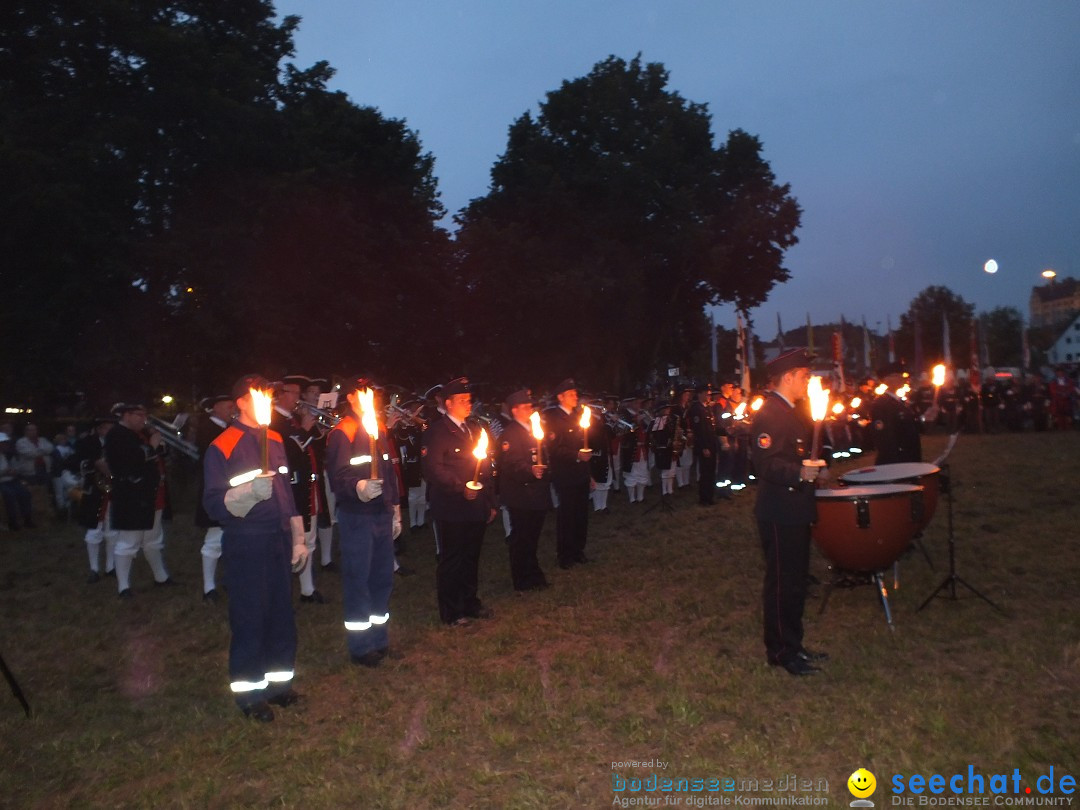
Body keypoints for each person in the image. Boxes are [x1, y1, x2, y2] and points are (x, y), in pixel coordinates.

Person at [202, 375, 307, 722]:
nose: (267, 399)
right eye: (258, 394)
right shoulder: (224, 445)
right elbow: (213, 504)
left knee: (280, 613)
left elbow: (286, 493)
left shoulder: (274, 438)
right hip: (247, 540)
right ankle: (249, 694)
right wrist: (246, 494)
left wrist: (298, 536)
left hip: (276, 536)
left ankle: (279, 686)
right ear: (242, 403)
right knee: (250, 615)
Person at [750, 349, 827, 677]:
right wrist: (799, 473)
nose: (808, 381)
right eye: (805, 376)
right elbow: (766, 464)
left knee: (796, 583)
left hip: (795, 509)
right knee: (782, 583)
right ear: (789, 377)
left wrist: (813, 468)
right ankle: (781, 651)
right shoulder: (770, 413)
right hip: (780, 510)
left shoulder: (791, 411)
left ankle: (794, 644)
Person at [325, 377, 402, 666]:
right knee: (359, 580)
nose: (373, 397)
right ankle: (360, 647)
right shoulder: (342, 432)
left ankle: (379, 640)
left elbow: (389, 472)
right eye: (366, 393)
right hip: (357, 516)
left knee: (382, 578)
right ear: (353, 398)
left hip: (381, 513)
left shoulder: (378, 428)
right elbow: (339, 477)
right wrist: (358, 487)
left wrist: (395, 509)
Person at [422, 377, 498, 626]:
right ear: (448, 403)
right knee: (452, 559)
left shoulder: (474, 429)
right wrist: (460, 487)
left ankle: (469, 601)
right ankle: (452, 611)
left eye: (469, 400)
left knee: (471, 557)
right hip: (451, 506)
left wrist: (489, 501)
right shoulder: (438, 431)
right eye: (463, 400)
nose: (468, 404)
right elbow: (433, 469)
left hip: (475, 505)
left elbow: (484, 468)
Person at [105, 403, 174, 597]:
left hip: (151, 494)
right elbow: (131, 461)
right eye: (138, 415)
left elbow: (158, 456)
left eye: (144, 414)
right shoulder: (117, 435)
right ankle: (123, 587)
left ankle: (161, 577)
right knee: (129, 542)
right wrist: (152, 444)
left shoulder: (139, 433)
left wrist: (159, 444)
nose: (143, 419)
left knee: (153, 539)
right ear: (126, 415)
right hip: (132, 496)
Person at [271, 376, 324, 604]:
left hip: (305, 485)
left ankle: (307, 589)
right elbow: (286, 453)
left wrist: (315, 430)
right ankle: (286, 592)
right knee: (292, 540)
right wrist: (304, 429)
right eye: (293, 393)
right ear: (281, 394)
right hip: (289, 488)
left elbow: (312, 448)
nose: (298, 398)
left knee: (308, 538)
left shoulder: (292, 420)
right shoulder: (272, 422)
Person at [498, 389, 552, 591]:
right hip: (521, 495)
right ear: (515, 410)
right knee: (522, 537)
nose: (531, 409)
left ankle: (534, 573)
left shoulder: (532, 429)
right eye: (526, 406)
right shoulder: (510, 433)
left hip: (537, 493)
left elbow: (542, 455)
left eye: (531, 405)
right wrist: (530, 470)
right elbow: (511, 463)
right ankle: (522, 578)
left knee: (533, 536)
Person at [544, 379, 593, 569]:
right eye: (571, 394)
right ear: (560, 397)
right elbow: (554, 448)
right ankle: (565, 555)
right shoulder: (554, 418)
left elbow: (584, 444)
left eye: (575, 393)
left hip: (580, 472)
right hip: (565, 473)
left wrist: (588, 473)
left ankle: (578, 550)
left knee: (581, 514)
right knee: (567, 514)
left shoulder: (578, 416)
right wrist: (576, 455)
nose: (575, 397)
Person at [195, 395, 235, 602]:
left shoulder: (227, 428)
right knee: (213, 542)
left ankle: (229, 579)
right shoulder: (207, 430)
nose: (232, 409)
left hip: (231, 490)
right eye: (228, 406)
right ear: (215, 408)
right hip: (217, 491)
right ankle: (208, 587)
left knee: (231, 539)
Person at [74, 417, 116, 580]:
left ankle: (110, 566)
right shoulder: (88, 443)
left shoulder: (116, 443)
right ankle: (94, 568)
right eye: (106, 428)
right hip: (95, 490)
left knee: (112, 530)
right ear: (99, 429)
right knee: (94, 529)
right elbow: (95, 464)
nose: (109, 431)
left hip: (112, 491)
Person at [870, 362, 922, 464]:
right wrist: (896, 460)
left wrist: (926, 418)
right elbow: (884, 437)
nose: (902, 379)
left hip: (909, 456)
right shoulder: (881, 404)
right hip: (896, 460)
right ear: (886, 380)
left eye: (901, 376)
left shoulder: (900, 402)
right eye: (897, 376)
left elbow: (911, 427)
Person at [687, 385, 719, 505]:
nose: (708, 396)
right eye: (707, 394)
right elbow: (699, 430)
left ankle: (710, 496)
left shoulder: (707, 408)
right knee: (705, 472)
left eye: (709, 394)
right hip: (705, 445)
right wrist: (704, 447)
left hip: (711, 443)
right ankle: (704, 498)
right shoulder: (697, 409)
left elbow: (711, 427)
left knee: (710, 471)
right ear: (700, 394)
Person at [0, 433, 34, 530]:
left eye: (5, 443)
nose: (5, 445)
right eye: (3, 443)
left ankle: (27, 519)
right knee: (9, 495)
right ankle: (13, 522)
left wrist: (15, 471)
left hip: (12, 480)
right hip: (2, 482)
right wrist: (5, 472)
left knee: (25, 493)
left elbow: (17, 467)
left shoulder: (8, 455)